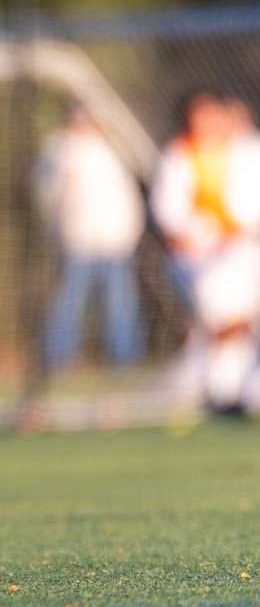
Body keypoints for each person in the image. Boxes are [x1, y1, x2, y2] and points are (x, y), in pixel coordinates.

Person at [152, 91, 260, 413]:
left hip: (245, 250)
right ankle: (221, 390)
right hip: (204, 258)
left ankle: (232, 389)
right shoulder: (180, 155)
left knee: (237, 324)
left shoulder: (245, 151)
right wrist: (191, 233)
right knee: (225, 320)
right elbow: (169, 210)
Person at [34, 103, 145, 372]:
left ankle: (126, 359)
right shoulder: (59, 152)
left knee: (121, 303)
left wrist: (131, 232)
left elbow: (127, 198)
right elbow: (48, 194)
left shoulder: (112, 153)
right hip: (80, 240)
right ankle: (57, 358)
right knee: (69, 301)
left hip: (114, 241)